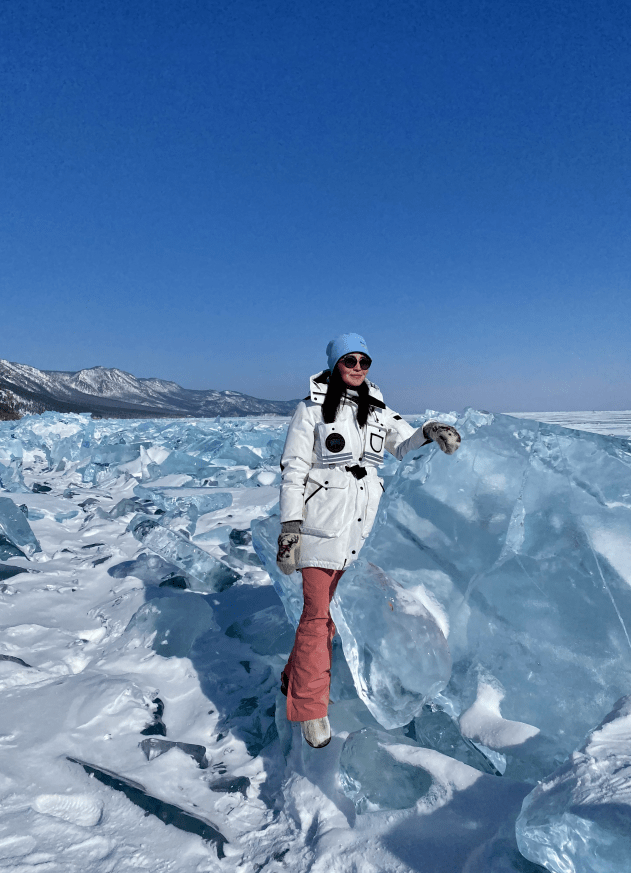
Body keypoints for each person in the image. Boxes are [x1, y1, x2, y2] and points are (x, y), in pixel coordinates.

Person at [276, 333, 461, 748]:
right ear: (335, 362)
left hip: (363, 532)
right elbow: (293, 469)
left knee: (331, 621)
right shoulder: (310, 411)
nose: (358, 367)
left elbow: (404, 443)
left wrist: (431, 431)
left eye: (364, 360)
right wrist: (290, 528)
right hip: (322, 529)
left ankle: (292, 678)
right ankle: (311, 709)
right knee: (316, 619)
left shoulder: (378, 410)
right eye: (350, 360)